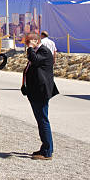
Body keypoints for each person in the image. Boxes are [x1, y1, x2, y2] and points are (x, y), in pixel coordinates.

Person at [23, 32, 59, 160]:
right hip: (35, 91)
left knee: (43, 120)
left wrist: (31, 48)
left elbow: (35, 61)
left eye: (28, 42)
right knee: (40, 120)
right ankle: (45, 147)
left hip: (41, 91)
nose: (26, 45)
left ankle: (47, 151)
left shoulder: (43, 51)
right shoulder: (37, 51)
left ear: (36, 41)